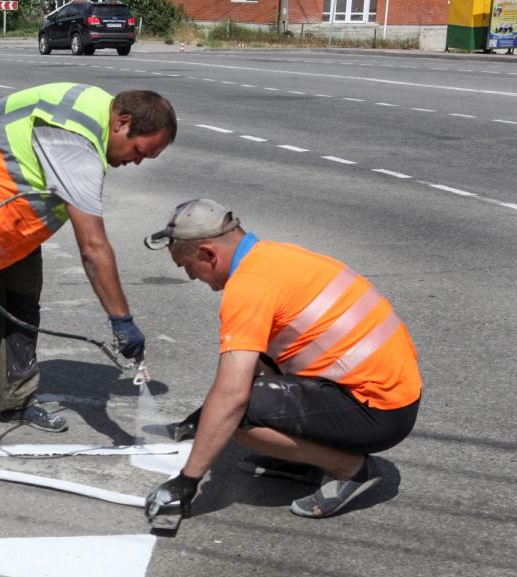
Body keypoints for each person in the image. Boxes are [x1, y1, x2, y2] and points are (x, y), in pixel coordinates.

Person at [141, 199, 422, 520]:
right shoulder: (273, 256)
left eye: (188, 266)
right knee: (253, 373)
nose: (191, 277)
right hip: (391, 394)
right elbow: (254, 361)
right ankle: (304, 458)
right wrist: (205, 415)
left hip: (377, 411)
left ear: (208, 253)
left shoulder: (249, 287)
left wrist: (187, 480)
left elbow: (232, 397)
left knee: (239, 414)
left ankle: (351, 469)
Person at [0, 83, 176, 436]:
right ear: (123, 123)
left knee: (22, 301)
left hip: (8, 205)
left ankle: (14, 400)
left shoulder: (101, 115)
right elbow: (92, 247)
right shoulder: (74, 142)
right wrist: (122, 319)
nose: (136, 161)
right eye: (139, 151)